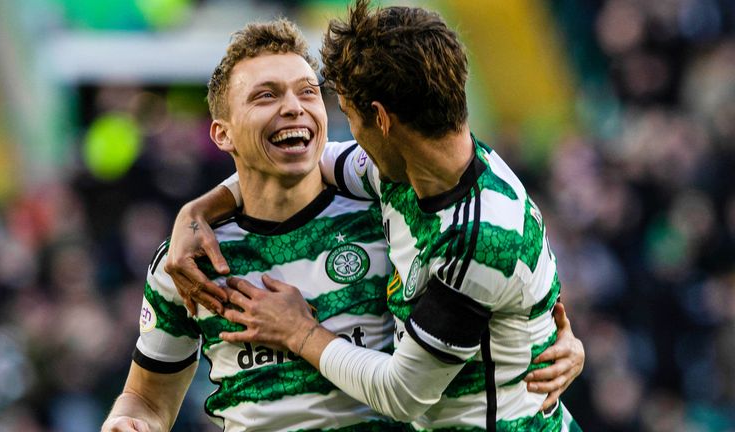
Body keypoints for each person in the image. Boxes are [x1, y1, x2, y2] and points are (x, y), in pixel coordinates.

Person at [165, 1, 585, 430]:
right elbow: (295, 161)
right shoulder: (403, 169)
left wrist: (299, 331)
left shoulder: (478, 238)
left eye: (349, 117)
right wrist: (198, 211)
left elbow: (405, 396)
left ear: (381, 118)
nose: (352, 135)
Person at [102, 19, 406, 431]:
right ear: (222, 135)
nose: (294, 107)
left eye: (308, 92)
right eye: (266, 95)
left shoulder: (384, 212)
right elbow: (146, 398)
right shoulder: (188, 261)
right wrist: (127, 421)